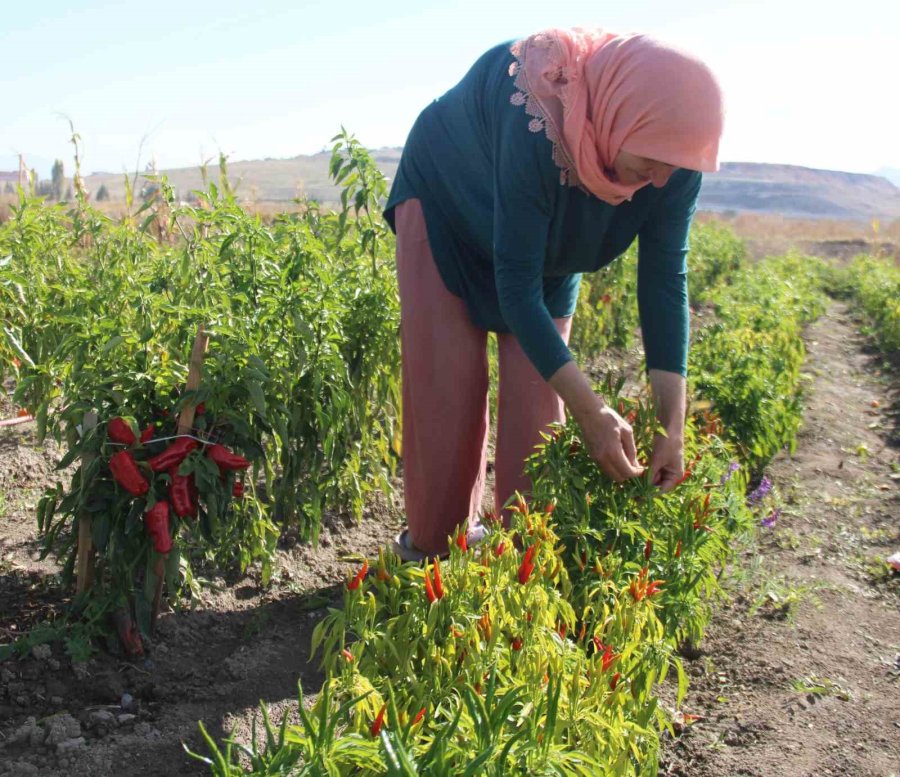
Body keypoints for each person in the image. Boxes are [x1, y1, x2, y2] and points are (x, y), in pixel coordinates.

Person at [384, 27, 724, 560]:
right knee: (448, 387)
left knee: (541, 407)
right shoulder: (537, 113)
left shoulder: (671, 158)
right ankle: (430, 559)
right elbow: (517, 289)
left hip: (548, 239)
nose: (659, 181)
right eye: (652, 163)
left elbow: (664, 280)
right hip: (452, 205)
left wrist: (671, 428)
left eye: (673, 168)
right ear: (620, 114)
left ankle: (518, 564)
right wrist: (595, 412)